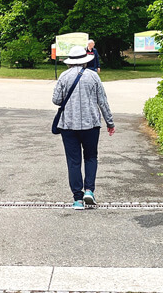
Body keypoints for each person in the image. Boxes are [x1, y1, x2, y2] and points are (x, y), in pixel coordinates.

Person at [52, 45, 115, 210]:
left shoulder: (64, 76)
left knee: (73, 161)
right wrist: (110, 122)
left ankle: (77, 199)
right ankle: (89, 190)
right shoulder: (93, 77)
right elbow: (103, 101)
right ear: (85, 61)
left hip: (68, 125)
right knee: (91, 157)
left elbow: (56, 100)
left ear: (70, 62)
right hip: (91, 125)